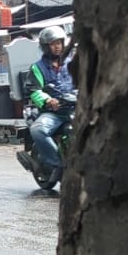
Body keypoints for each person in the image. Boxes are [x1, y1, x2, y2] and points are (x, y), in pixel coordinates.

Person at [25, 25, 75, 184]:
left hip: (76, 108)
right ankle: (57, 164)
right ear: (46, 46)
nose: (57, 46)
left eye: (59, 42)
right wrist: (48, 100)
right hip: (54, 112)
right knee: (38, 130)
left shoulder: (73, 63)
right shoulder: (37, 67)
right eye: (53, 43)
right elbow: (33, 89)